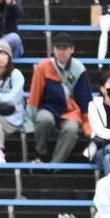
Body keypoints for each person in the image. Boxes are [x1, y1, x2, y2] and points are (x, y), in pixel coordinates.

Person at [28, 33, 94, 165]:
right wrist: (29, 122)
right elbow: (34, 95)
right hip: (49, 107)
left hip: (71, 111)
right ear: (53, 49)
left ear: (72, 50)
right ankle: (40, 153)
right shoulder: (43, 66)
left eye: (65, 48)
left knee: (72, 129)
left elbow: (85, 98)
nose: (61, 51)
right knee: (43, 120)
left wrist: (87, 123)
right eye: (58, 47)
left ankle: (55, 164)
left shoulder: (79, 68)